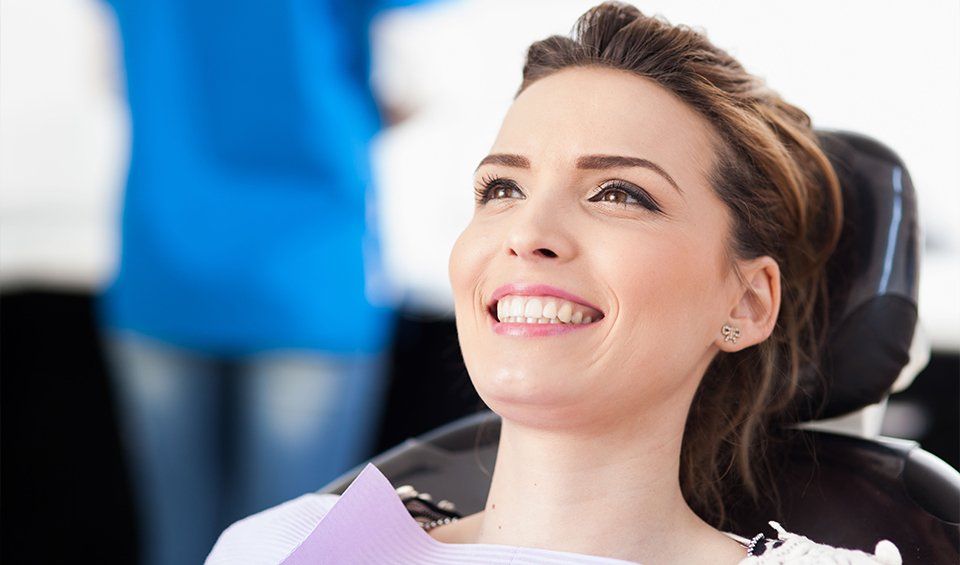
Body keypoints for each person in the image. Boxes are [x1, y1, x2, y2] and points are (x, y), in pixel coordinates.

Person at [206, 3, 903, 563]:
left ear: (746, 301)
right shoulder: (277, 544)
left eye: (619, 193)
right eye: (502, 187)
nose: (526, 231)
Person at [99, 1, 434, 564]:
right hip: (310, 271)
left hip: (166, 255)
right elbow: (416, 86)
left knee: (179, 543)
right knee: (294, 550)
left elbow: (111, 76)